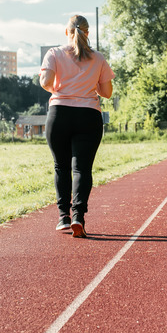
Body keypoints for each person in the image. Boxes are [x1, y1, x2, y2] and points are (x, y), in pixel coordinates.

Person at [39, 15, 115, 238]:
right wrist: (87, 84)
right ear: (88, 33)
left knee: (61, 167)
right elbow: (107, 92)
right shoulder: (98, 58)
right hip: (88, 115)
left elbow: (46, 83)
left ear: (66, 32)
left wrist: (63, 88)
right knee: (82, 169)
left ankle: (63, 217)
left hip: (59, 114)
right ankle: (78, 217)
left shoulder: (53, 54)